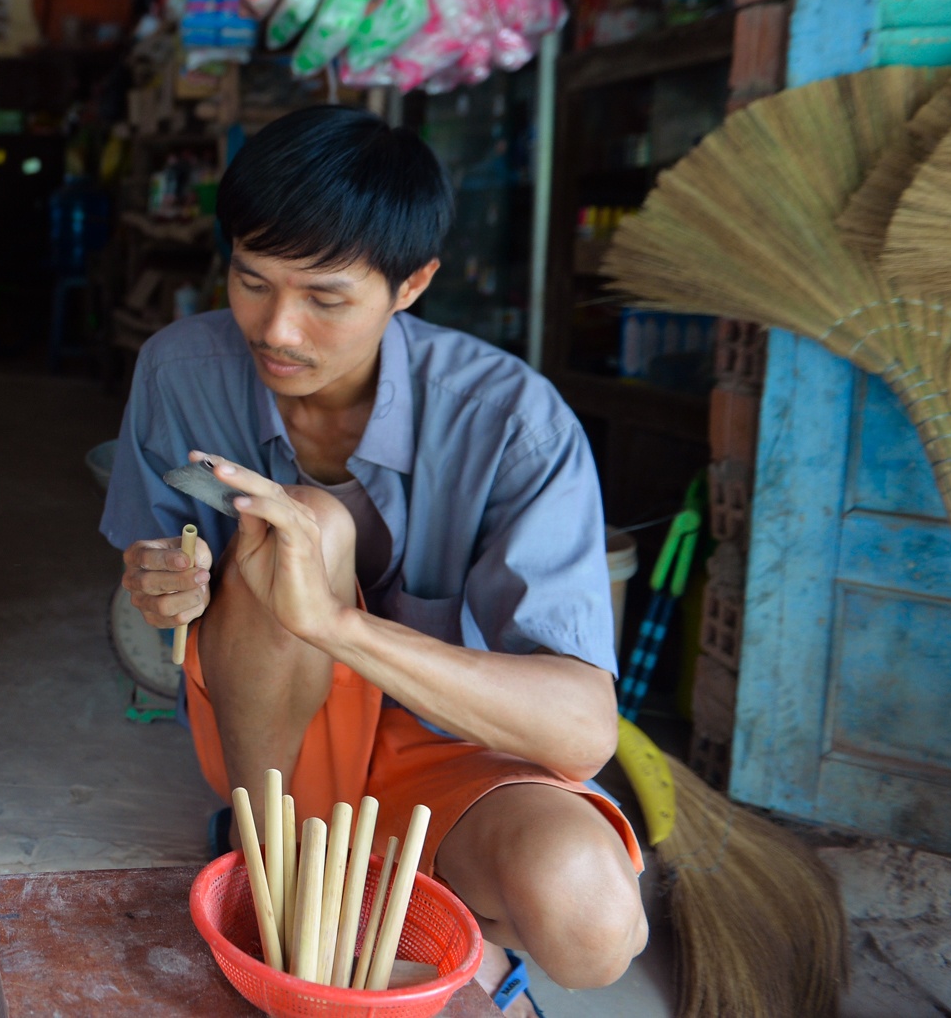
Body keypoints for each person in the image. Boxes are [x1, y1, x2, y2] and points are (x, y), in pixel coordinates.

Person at [103, 106, 645, 1014]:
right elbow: (158, 577)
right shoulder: (179, 370)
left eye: (325, 298)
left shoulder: (513, 419)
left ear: (412, 284)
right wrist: (165, 586)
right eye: (250, 279)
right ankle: (273, 861)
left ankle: (422, 905)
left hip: (457, 755)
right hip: (272, 747)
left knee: (591, 926)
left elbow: (584, 730)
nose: (277, 329)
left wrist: (338, 625)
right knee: (305, 524)